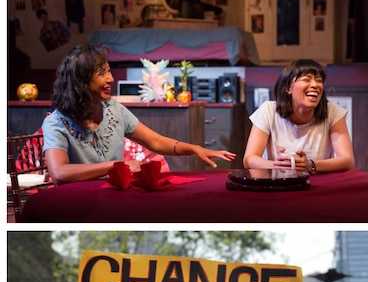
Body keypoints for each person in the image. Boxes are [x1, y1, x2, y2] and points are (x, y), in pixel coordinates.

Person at [42, 45, 235, 185]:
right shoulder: (56, 122)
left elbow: (157, 142)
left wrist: (194, 149)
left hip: (114, 196)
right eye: (102, 73)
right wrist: (116, 166)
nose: (111, 79)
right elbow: (60, 172)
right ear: (81, 81)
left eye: (109, 71)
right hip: (76, 202)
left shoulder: (113, 109)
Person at [244, 58, 354, 175]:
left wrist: (311, 165)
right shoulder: (269, 110)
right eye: (306, 79)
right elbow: (249, 159)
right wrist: (276, 164)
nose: (315, 85)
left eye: (319, 80)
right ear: (288, 88)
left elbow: (348, 160)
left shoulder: (332, 111)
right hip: (278, 187)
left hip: (318, 187)